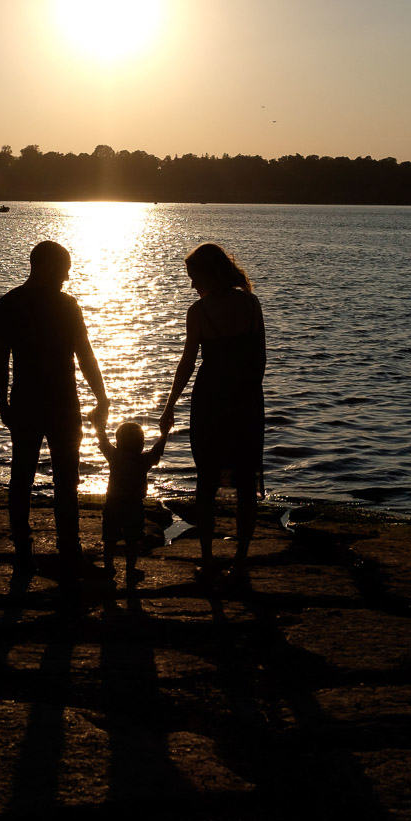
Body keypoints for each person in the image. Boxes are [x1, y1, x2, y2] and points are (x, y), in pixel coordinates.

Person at [0, 240, 109, 577]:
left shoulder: (7, 305)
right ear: (46, 267)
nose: (65, 278)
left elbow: (1, 365)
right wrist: (101, 397)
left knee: (22, 477)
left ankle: (25, 552)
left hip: (28, 402)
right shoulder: (66, 305)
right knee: (64, 481)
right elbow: (84, 356)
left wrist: (4, 405)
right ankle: (67, 553)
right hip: (60, 403)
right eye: (63, 271)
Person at [158, 243, 265, 585]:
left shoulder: (199, 312)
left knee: (207, 482)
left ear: (209, 273)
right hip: (246, 399)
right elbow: (260, 358)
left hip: (210, 400)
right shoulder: (250, 304)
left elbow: (188, 363)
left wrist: (170, 405)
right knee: (246, 482)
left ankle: (207, 559)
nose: (191, 285)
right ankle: (241, 560)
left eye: (194, 277)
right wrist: (247, 395)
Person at [94, 414, 169, 585]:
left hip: (113, 503)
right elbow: (157, 452)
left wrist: (98, 425)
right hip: (134, 506)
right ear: (141, 444)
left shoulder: (114, 456)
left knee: (110, 539)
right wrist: (164, 434)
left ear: (119, 442)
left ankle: (108, 567)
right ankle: (130, 569)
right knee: (133, 540)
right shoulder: (142, 460)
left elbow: (103, 441)